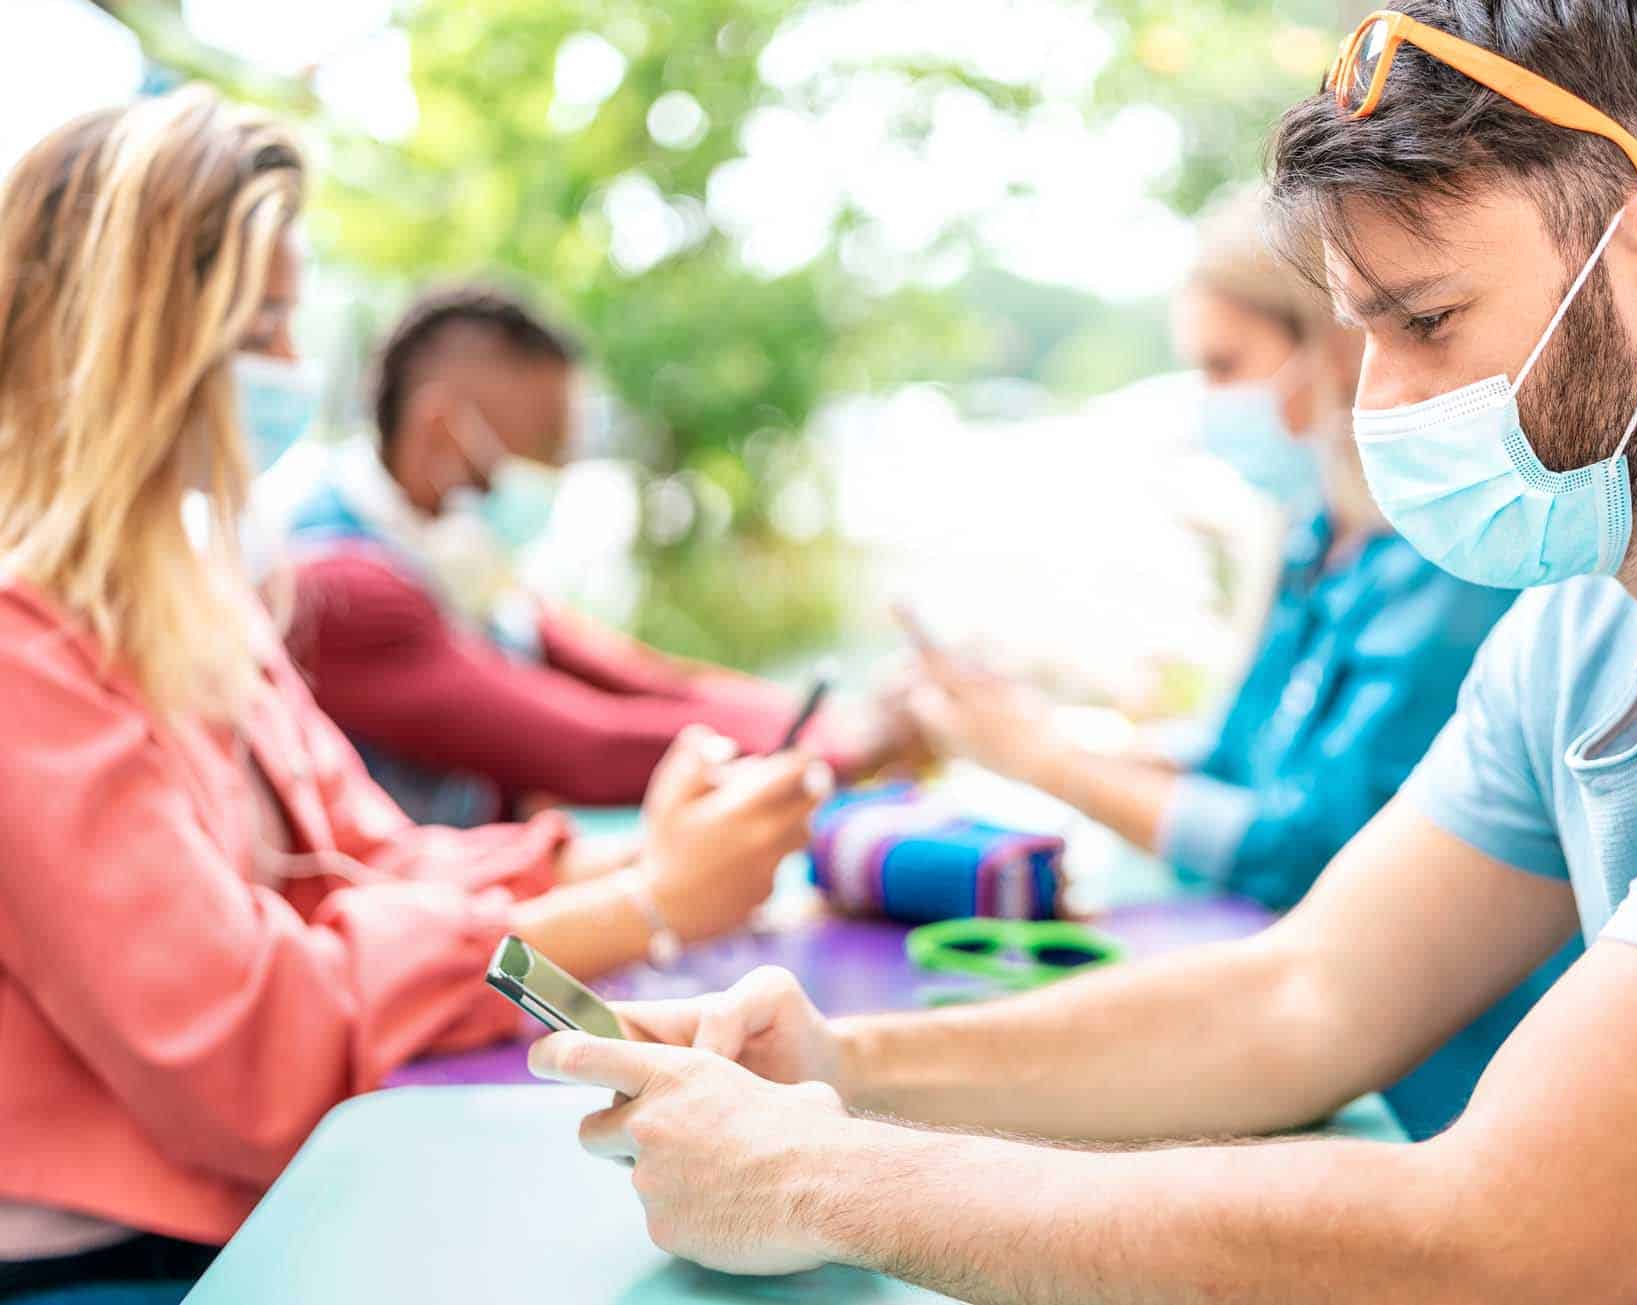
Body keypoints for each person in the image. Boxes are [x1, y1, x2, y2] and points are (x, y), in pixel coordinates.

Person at [530, 4, 1637, 1302]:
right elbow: (1307, 995)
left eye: (1425, 320)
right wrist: (842, 1071)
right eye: (1363, 333)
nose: (1379, 404)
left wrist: (819, 1183)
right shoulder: (1586, 620)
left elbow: (1512, 1238)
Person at [0, 89, 823, 1302]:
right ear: (136, 336)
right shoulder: (29, 654)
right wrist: (644, 903)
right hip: (118, 1264)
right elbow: (252, 1050)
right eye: (263, 323)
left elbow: (384, 863)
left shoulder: (199, 610)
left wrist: (628, 873)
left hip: (253, 1204)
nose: (290, 367)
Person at [911, 190, 1553, 1140]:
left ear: (1333, 340)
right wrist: (1042, 727)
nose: (1213, 403)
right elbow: (1236, 759)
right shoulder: (1318, 538)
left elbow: (1303, 846)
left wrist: (1045, 762)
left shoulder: (1454, 560)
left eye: (1225, 365)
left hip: (1436, 1093)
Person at [268, 285, 918, 829]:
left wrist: (829, 715)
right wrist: (837, 746)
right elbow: (589, 748)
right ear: (443, 428)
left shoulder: (459, 555)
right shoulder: (341, 586)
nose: (560, 471)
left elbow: (641, 678)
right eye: (545, 445)